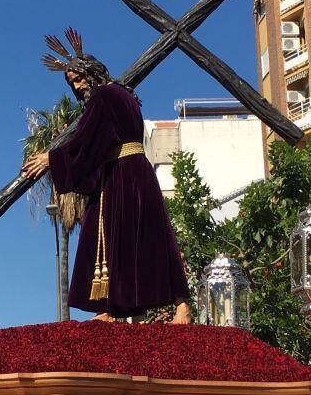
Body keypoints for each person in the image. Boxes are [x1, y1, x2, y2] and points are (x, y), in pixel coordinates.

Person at [23, 28, 191, 324]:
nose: (76, 87)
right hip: (136, 171)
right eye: (71, 83)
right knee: (144, 236)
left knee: (113, 235)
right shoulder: (125, 94)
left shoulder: (102, 95)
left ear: (91, 72)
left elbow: (89, 139)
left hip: (122, 173)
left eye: (78, 79)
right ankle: (153, 307)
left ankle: (124, 309)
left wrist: (51, 158)